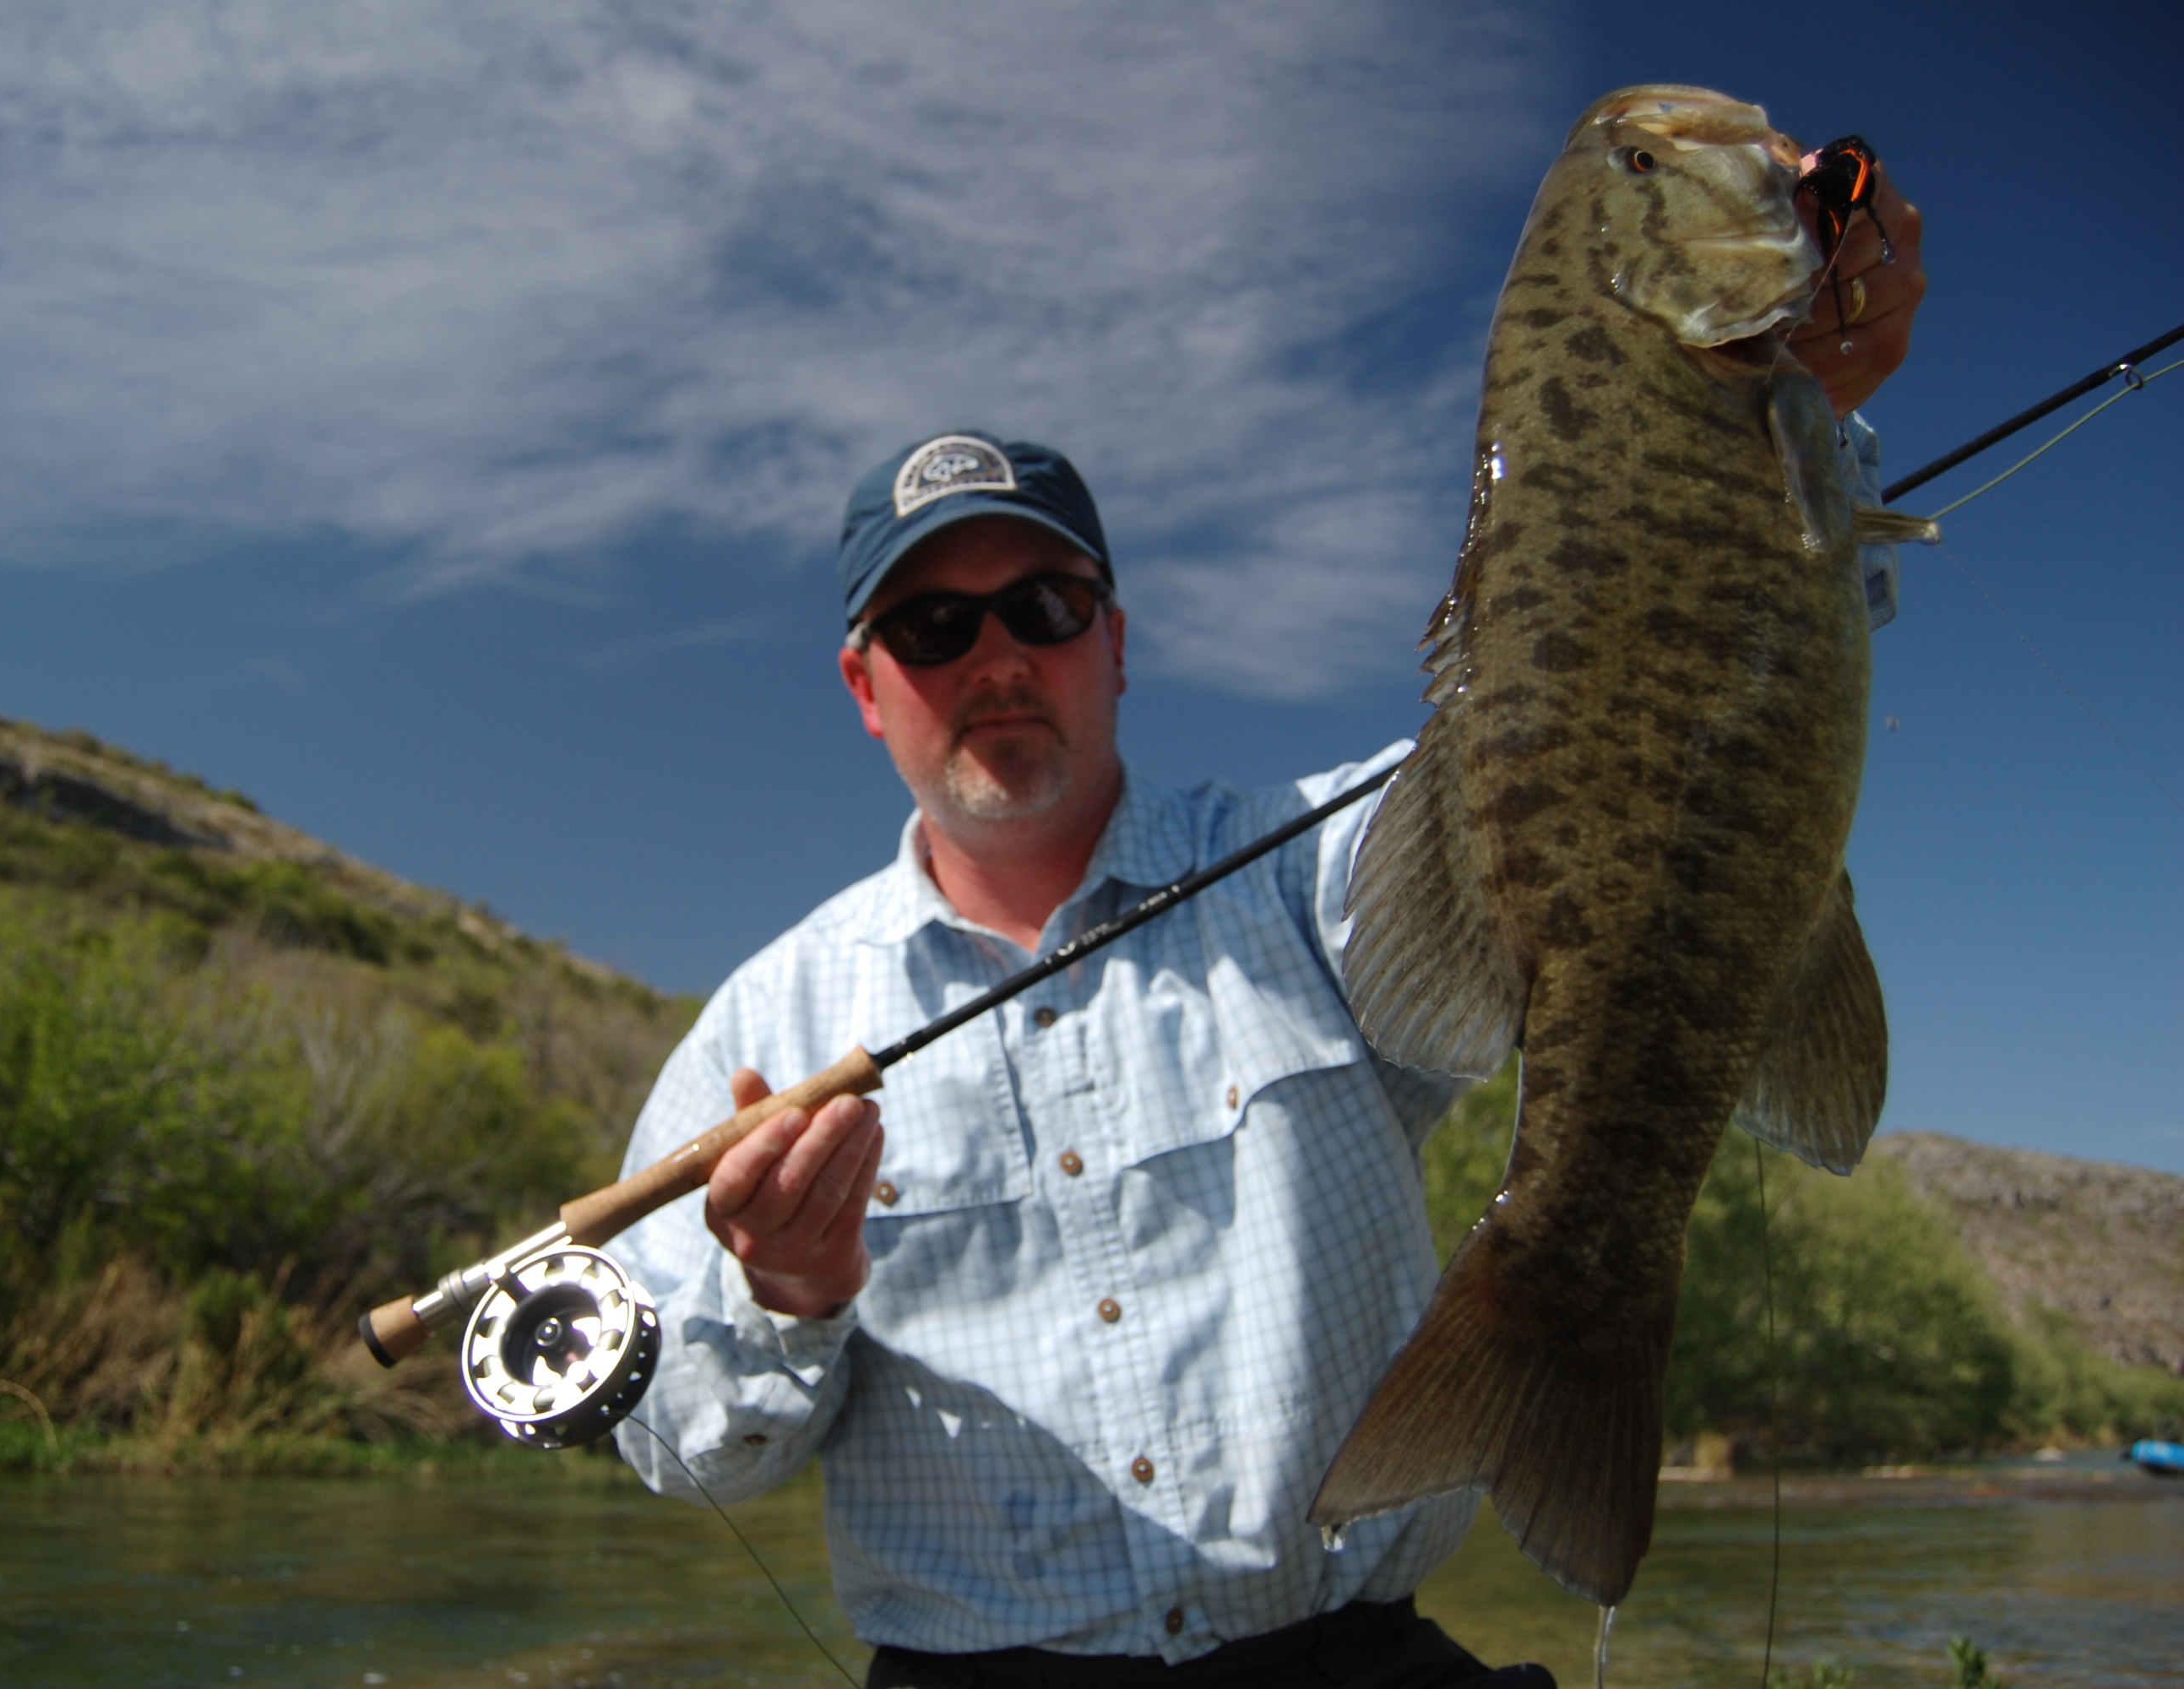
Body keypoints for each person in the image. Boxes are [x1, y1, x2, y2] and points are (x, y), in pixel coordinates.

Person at [607, 167, 1924, 1689]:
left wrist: (1792, 428)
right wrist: (793, 1297)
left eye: (1043, 606)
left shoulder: (1328, 868)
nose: (995, 658)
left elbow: (1636, 707)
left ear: (1115, 640)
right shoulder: (757, 1033)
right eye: (933, 626)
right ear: (865, 682)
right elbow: (687, 1458)